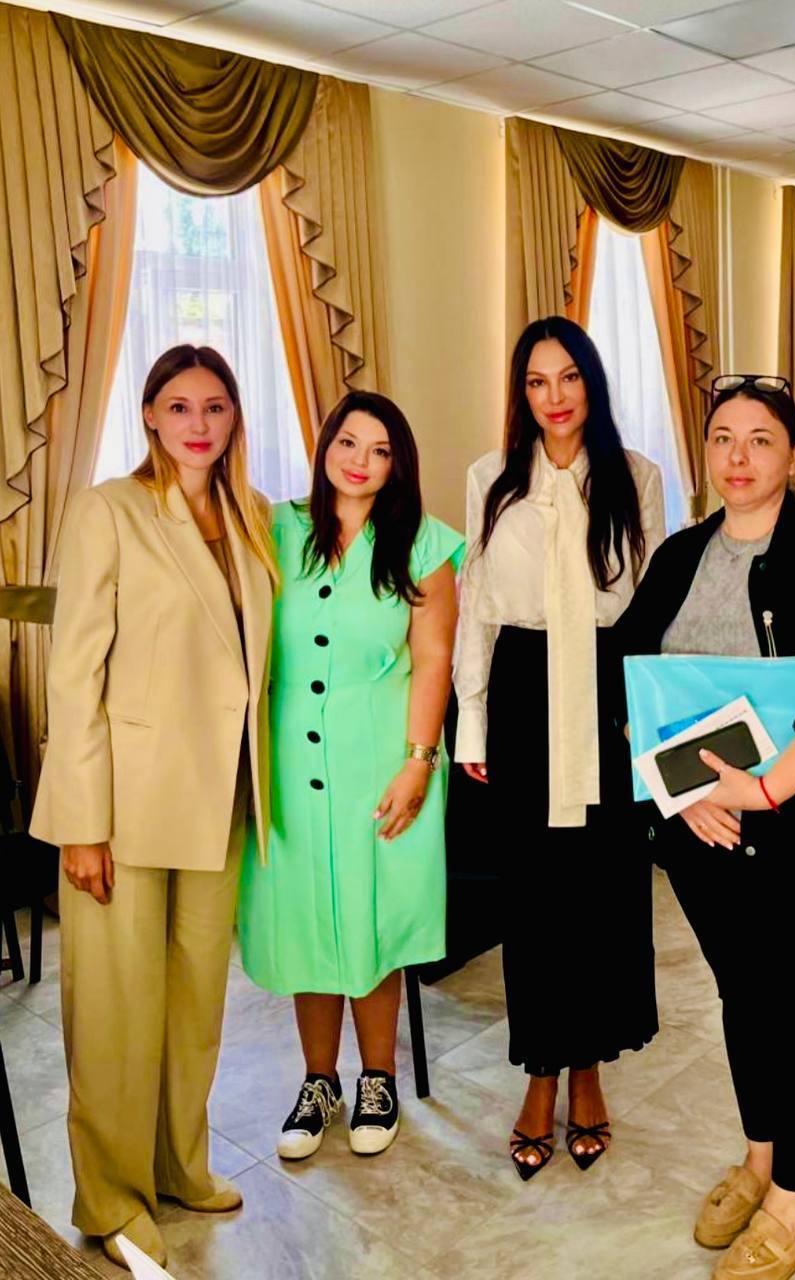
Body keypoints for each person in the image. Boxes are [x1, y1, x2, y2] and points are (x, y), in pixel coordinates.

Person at [616, 375, 795, 1280]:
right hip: (704, 829)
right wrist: (679, 792)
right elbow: (626, 676)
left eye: (758, 440)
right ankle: (759, 1156)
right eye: (721, 438)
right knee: (745, 995)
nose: (736, 457)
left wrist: (767, 789)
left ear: (793, 456)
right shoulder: (679, 555)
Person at [30, 345, 276, 1270]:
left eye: (215, 406)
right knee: (116, 1010)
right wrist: (81, 824)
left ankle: (179, 1166)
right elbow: (74, 674)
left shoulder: (253, 516)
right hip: (125, 804)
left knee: (194, 1003)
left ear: (234, 416)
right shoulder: (110, 509)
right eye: (179, 406)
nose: (198, 424)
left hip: (222, 800)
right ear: (148, 416)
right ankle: (111, 1196)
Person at [453, 316, 666, 1180]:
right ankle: (539, 1074)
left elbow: (650, 612)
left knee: (603, 894)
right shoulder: (490, 477)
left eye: (569, 377)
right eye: (537, 381)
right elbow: (476, 607)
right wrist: (471, 721)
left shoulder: (636, 476)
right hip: (524, 686)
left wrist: (651, 728)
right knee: (536, 897)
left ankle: (589, 1072)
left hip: (606, 690)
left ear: (592, 382)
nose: (554, 397)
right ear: (521, 392)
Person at [238, 391, 463, 1160]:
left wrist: (417, 761)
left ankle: (377, 1079)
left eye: (379, 449)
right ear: (325, 445)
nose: (360, 461)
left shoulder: (425, 545)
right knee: (307, 921)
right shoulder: (277, 530)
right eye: (347, 442)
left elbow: (433, 658)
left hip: (380, 762)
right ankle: (318, 1081)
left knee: (370, 922)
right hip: (290, 764)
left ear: (397, 464)